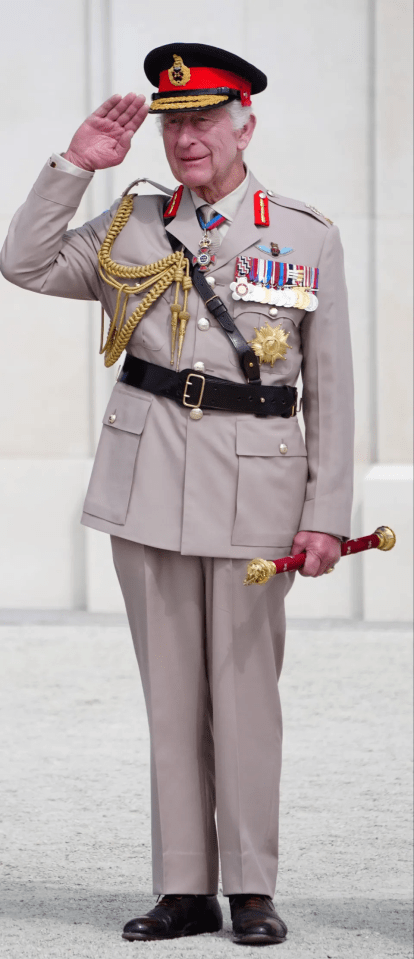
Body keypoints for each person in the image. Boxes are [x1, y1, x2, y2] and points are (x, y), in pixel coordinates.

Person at [0, 42, 354, 946]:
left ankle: (251, 888)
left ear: (246, 124)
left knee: (244, 695)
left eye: (205, 120)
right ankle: (184, 888)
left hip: (258, 490)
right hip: (149, 478)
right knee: (171, 696)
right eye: (174, 123)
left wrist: (325, 514)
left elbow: (333, 386)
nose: (188, 139)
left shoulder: (304, 233)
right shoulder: (131, 224)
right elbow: (24, 264)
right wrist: (74, 164)